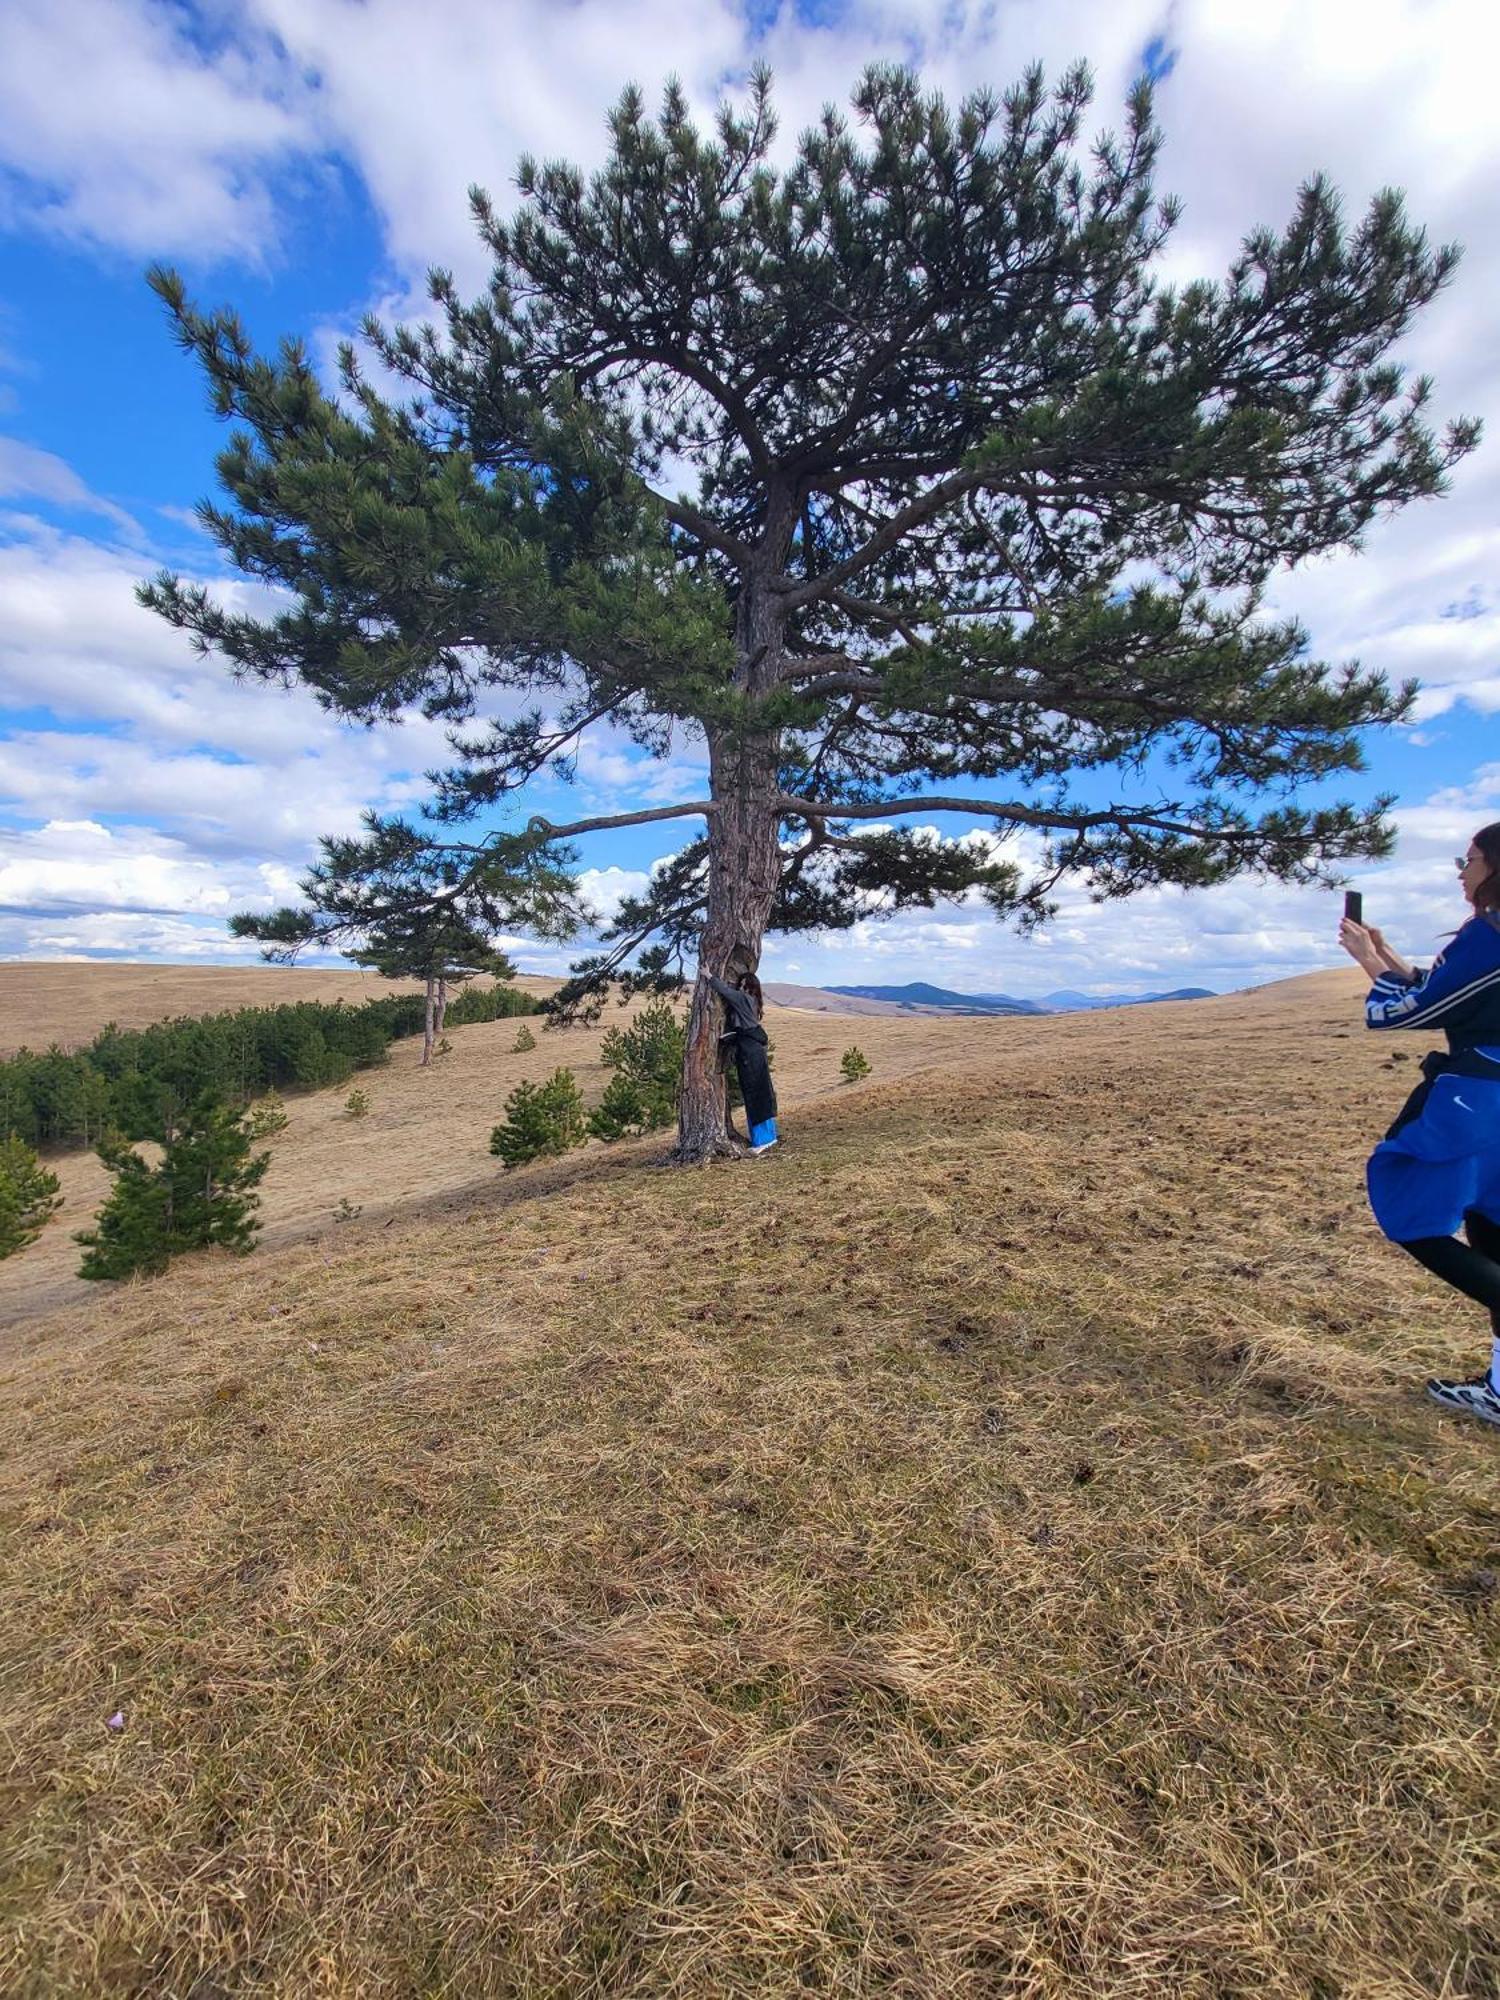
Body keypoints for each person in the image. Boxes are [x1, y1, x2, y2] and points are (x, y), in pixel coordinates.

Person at [1339, 823, 1500, 1427]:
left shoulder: (1488, 935)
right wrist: (1384, 958)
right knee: (1490, 1223)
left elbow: (1406, 1012)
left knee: (1409, 1210)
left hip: (1481, 1103)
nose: (1462, 870)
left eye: (1471, 859)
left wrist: (1367, 967)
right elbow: (1449, 994)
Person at [705, 968, 778, 1154]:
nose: (741, 988)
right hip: (753, 1051)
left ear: (750, 988)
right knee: (761, 1092)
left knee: (754, 1093)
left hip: (749, 1054)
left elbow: (726, 992)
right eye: (741, 985)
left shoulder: (744, 999)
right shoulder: (753, 1002)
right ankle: (768, 1137)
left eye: (745, 985)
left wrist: (709, 976)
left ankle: (762, 1140)